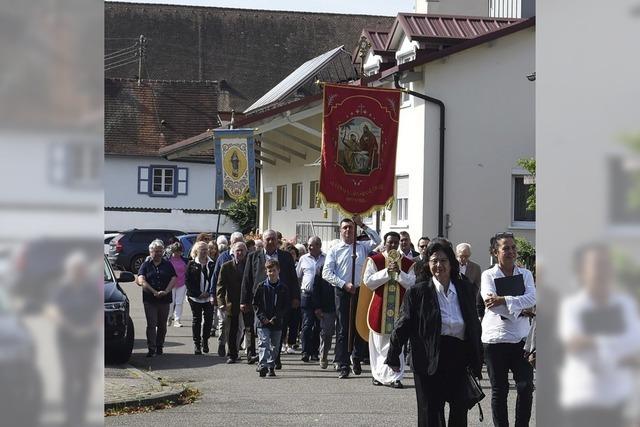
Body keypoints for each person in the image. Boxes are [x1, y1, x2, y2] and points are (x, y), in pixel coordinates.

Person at [386, 240, 483, 426]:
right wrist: (393, 354)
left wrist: (478, 356)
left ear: (451, 263)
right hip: (427, 357)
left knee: (459, 411)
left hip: (458, 357)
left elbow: (473, 325)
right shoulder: (417, 292)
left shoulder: (466, 289)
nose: (439, 265)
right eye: (434, 261)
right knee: (430, 412)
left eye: (443, 260)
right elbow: (403, 324)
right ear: (427, 264)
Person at [559, 243, 640, 427]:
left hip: (620, 401)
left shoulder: (624, 304)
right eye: (597, 265)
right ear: (583, 271)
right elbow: (574, 343)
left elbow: (636, 343)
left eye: (607, 264)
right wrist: (620, 349)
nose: (603, 271)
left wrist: (596, 342)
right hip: (584, 400)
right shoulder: (573, 306)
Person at [481, 232, 536, 427]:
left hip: (521, 340)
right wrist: (520, 309)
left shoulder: (526, 274)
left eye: (513, 247)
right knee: (500, 389)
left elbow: (533, 298)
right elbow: (490, 304)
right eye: (506, 248)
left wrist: (504, 299)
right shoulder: (488, 275)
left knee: (525, 386)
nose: (511, 251)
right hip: (496, 339)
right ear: (496, 252)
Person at [322, 216, 381, 379]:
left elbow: (377, 239)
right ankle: (343, 364)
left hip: (361, 291)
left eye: (351, 228)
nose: (348, 230)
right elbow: (326, 273)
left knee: (359, 325)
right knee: (343, 328)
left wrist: (362, 224)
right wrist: (343, 284)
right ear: (340, 231)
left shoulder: (362, 247)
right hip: (343, 291)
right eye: (345, 228)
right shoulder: (335, 250)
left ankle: (356, 357)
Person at [362, 231, 416, 388]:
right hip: (379, 307)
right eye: (390, 242)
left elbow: (412, 283)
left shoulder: (407, 263)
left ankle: (395, 377)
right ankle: (378, 375)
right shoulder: (375, 260)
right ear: (384, 243)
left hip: (399, 308)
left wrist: (399, 274)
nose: (392, 245)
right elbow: (368, 281)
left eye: (395, 242)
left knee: (396, 342)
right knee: (378, 344)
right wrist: (387, 272)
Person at [240, 229, 299, 369]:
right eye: (268, 239)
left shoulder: (285, 257)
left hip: (280, 299)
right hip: (261, 300)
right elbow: (247, 280)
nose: (271, 242)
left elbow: (292, 279)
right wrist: (244, 300)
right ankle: (263, 360)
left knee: (278, 329)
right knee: (262, 330)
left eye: (273, 239)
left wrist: (296, 297)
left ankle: (275, 357)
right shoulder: (253, 256)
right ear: (263, 240)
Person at [137, 239, 177, 357]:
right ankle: (151, 348)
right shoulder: (145, 265)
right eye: (156, 251)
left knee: (162, 324)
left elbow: (174, 278)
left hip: (164, 299)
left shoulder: (167, 264)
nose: (158, 253)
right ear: (150, 252)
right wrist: (153, 291)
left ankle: (160, 345)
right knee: (151, 324)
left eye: (160, 251)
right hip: (150, 299)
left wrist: (166, 291)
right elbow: (141, 279)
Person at [253, 259, 289, 377]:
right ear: (266, 272)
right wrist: (263, 318)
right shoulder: (261, 287)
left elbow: (285, 306)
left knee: (275, 346)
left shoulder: (283, 288)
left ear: (278, 271)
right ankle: (263, 365)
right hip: (263, 322)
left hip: (276, 322)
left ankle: (271, 366)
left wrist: (277, 317)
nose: (272, 273)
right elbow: (256, 304)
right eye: (269, 271)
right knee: (264, 342)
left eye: (274, 270)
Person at [213, 231, 245, 354]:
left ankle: (234, 350)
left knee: (239, 328)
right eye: (235, 241)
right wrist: (215, 297)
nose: (237, 244)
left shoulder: (247, 261)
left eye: (240, 241)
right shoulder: (223, 258)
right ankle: (222, 343)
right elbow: (217, 280)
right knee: (225, 324)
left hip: (242, 301)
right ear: (231, 243)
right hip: (227, 300)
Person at [217, 242, 248, 364]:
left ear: (246, 253)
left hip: (247, 302)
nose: (239, 253)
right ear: (233, 252)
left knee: (247, 329)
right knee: (231, 330)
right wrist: (221, 302)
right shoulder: (226, 266)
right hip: (231, 302)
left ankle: (250, 354)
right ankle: (232, 354)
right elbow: (220, 286)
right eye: (237, 251)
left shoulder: (249, 265)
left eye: (242, 251)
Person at [185, 241, 216, 355]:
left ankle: (205, 340)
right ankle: (197, 344)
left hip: (209, 297)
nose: (204, 251)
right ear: (196, 251)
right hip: (195, 298)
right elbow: (187, 282)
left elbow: (216, 279)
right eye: (201, 249)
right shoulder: (191, 264)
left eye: (206, 249)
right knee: (196, 320)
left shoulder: (212, 263)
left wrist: (209, 292)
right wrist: (198, 293)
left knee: (208, 320)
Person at [297, 236, 324, 363]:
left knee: (318, 326)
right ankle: (305, 352)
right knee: (307, 325)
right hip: (306, 295)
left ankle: (314, 352)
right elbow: (298, 276)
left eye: (312, 245)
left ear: (318, 246)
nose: (309, 247)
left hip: (319, 296)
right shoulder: (303, 259)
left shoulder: (326, 258)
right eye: (308, 245)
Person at [456, 242, 484, 319]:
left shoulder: (476, 268)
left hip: (469, 303)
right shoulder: (451, 266)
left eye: (467, 256)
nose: (464, 259)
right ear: (457, 254)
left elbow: (478, 287)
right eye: (462, 256)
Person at [284, 243, 302, 353]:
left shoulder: (299, 265)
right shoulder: (282, 264)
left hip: (297, 296)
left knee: (294, 322)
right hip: (285, 296)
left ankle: (291, 344)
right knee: (283, 322)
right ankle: (282, 343)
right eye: (289, 254)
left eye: (293, 254)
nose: (291, 256)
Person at [167, 242, 188, 328]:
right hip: (171, 284)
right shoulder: (168, 260)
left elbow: (187, 271)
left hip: (182, 283)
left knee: (179, 302)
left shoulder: (184, 260)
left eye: (179, 251)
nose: (178, 253)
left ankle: (177, 320)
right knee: (171, 302)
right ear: (172, 251)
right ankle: (169, 317)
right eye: (176, 251)